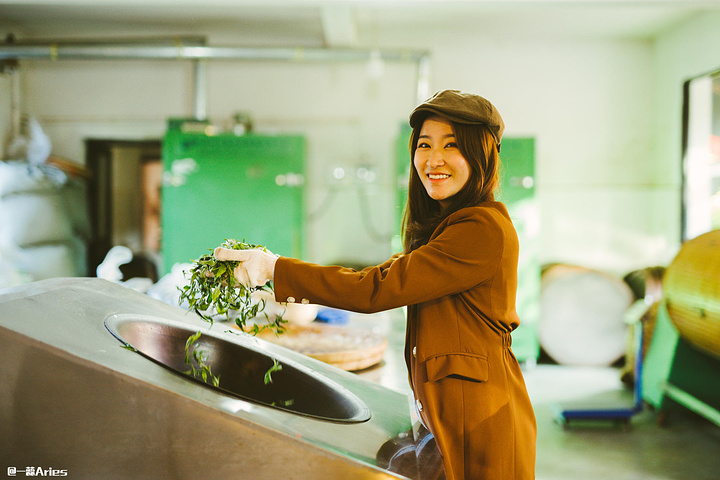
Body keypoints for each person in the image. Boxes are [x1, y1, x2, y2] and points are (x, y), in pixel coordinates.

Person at [214, 89, 537, 479]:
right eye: (424, 145)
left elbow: (377, 288)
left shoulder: (480, 229)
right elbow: (384, 276)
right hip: (454, 416)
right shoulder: (449, 229)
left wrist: (274, 268)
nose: (433, 159)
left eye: (451, 145)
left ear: (481, 155)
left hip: (480, 423)